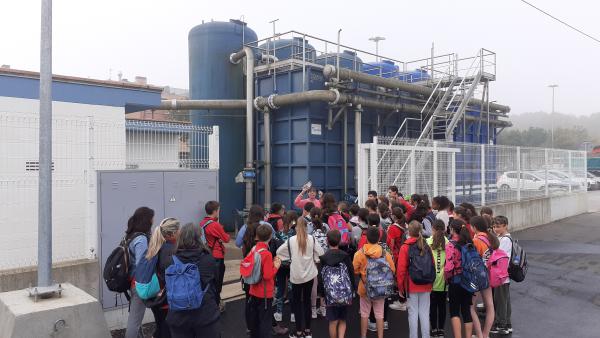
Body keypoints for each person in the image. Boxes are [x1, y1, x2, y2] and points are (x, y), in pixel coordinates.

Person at [165, 223, 220, 338]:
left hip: (178, 316)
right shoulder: (208, 259)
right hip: (205, 315)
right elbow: (216, 284)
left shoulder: (170, 260)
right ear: (199, 238)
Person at [276, 217, 325, 338]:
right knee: (307, 302)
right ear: (307, 227)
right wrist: (315, 258)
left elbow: (279, 252)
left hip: (295, 276)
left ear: (296, 227)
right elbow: (322, 252)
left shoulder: (291, 240)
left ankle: (298, 332)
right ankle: (308, 331)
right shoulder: (312, 239)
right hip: (309, 275)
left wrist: (290, 258)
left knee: (297, 303)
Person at [353, 226, 396, 338]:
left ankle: (363, 336)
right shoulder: (385, 253)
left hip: (365, 287)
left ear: (366, 238)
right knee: (379, 314)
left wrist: (362, 274)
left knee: (364, 313)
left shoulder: (360, 253)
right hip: (381, 288)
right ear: (379, 238)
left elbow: (355, 269)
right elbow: (392, 269)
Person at [397, 220, 434, 338]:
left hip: (411, 284)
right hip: (426, 283)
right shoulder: (426, 245)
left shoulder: (405, 247)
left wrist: (400, 287)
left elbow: (401, 270)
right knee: (424, 313)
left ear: (409, 231)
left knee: (412, 313)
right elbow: (432, 264)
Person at [146, 217, 181, 338]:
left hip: (156, 296)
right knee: (167, 329)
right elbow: (171, 276)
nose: (180, 232)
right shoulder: (170, 251)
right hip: (165, 298)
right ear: (172, 233)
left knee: (160, 326)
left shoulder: (157, 247)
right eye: (178, 230)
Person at [247, 224, 282, 338]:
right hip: (265, 294)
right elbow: (267, 275)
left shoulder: (254, 249)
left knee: (255, 320)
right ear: (270, 236)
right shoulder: (266, 253)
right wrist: (276, 266)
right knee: (265, 322)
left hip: (253, 290)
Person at [125, 206, 154, 338]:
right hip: (138, 284)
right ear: (147, 220)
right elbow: (142, 264)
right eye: (152, 218)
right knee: (134, 321)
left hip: (132, 281)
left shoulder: (131, 235)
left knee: (135, 317)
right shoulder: (141, 239)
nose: (153, 221)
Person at [320, 229, 355, 338]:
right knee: (342, 320)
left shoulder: (324, 257)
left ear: (327, 241)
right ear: (340, 241)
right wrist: (352, 289)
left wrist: (322, 294)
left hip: (330, 294)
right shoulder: (345, 256)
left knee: (333, 321)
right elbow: (351, 274)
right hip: (344, 293)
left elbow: (321, 277)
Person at [445, 219, 474, 338]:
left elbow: (448, 267)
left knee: (455, 311)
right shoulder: (470, 244)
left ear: (452, 230)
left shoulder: (450, 245)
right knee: (466, 310)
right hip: (468, 280)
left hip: (455, 281)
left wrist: (447, 279)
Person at [471, 215, 500, 338]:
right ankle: (486, 334)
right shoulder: (492, 238)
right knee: (490, 305)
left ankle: (479, 335)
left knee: (470, 307)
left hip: (477, 276)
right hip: (490, 274)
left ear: (475, 227)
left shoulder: (476, 241)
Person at [199, 201, 230, 312]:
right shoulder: (215, 225)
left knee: (210, 283)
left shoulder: (202, 223)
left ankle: (212, 303)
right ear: (215, 211)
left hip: (206, 255)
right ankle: (216, 306)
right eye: (219, 210)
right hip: (217, 257)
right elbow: (227, 238)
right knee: (217, 283)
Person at [273, 211, 298, 325]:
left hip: (280, 265)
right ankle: (293, 313)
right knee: (292, 289)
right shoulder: (294, 234)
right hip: (292, 265)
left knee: (280, 288)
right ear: (292, 222)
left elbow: (274, 251)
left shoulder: (277, 235)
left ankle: (279, 313)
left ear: (282, 222)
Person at [427, 220, 449, 337]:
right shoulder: (448, 242)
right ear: (444, 229)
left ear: (433, 229)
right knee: (442, 306)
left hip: (431, 279)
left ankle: (434, 329)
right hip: (444, 280)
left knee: (432, 306)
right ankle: (441, 330)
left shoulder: (428, 242)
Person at [491, 216, 513, 335]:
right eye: (494, 226)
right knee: (505, 300)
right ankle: (507, 324)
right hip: (503, 275)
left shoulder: (505, 240)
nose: (496, 229)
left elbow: (497, 256)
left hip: (501, 275)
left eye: (498, 226)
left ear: (505, 225)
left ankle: (502, 325)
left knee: (500, 301)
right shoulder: (502, 238)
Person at [387, 207, 408, 312]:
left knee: (399, 278)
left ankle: (402, 301)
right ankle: (404, 299)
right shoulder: (405, 225)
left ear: (393, 216)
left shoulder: (393, 228)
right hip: (405, 253)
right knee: (404, 278)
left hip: (396, 255)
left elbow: (391, 243)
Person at [310, 207, 328, 318]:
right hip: (325, 258)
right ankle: (323, 307)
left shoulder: (309, 228)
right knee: (324, 283)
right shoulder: (326, 227)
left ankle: (313, 310)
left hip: (313, 260)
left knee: (314, 285)